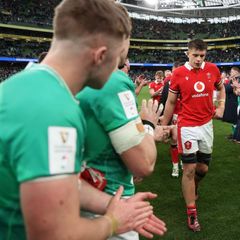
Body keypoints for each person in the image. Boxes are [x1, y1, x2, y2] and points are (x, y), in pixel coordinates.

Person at [0, 0, 157, 239]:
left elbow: (59, 181)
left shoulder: (19, 86)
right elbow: (53, 234)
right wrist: (113, 222)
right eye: (118, 59)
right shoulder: (54, 111)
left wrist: (114, 206)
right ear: (101, 56)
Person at [77, 54, 169, 239]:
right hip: (111, 193)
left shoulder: (25, 85)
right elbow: (144, 164)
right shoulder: (111, 79)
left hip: (85, 194)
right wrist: (149, 127)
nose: (127, 62)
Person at [161, 39, 225, 232]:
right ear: (188, 53)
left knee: (203, 169)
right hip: (186, 126)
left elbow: (221, 88)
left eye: (202, 56)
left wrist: (221, 106)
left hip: (206, 125)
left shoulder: (213, 70)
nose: (198, 59)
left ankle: (194, 187)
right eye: (195, 55)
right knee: (188, 169)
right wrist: (164, 125)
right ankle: (191, 213)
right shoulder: (178, 73)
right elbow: (171, 102)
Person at [222, 67, 240, 140]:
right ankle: (234, 135)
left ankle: (236, 136)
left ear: (236, 72)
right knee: (233, 121)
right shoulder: (232, 79)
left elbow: (226, 88)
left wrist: (227, 86)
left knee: (235, 120)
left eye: (232, 71)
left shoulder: (237, 79)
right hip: (231, 101)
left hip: (234, 102)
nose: (230, 73)